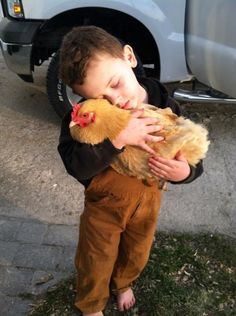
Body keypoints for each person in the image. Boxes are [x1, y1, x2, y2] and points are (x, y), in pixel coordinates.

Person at [58, 25, 203, 316]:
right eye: (101, 98)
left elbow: (193, 148)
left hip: (149, 201)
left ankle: (123, 283)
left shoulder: (165, 104)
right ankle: (91, 305)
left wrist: (185, 172)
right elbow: (74, 163)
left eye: (115, 84)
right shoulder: (87, 118)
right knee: (95, 257)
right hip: (105, 205)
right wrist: (117, 141)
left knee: (137, 251)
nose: (116, 101)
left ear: (129, 57)